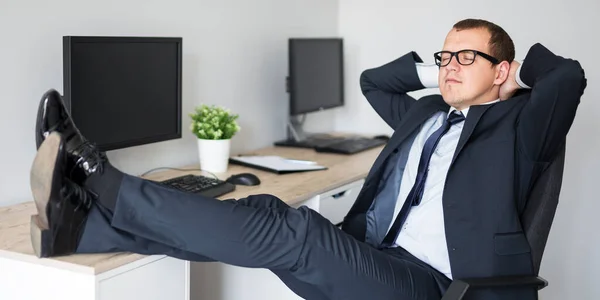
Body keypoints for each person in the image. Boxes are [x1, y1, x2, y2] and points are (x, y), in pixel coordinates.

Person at [29, 18, 586, 300]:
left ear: (503, 71)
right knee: (269, 212)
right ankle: (81, 230)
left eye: (468, 57)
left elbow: (568, 74)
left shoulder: (521, 126)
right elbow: (375, 83)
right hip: (374, 252)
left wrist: (511, 78)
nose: (451, 65)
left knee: (294, 234)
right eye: (447, 55)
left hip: (436, 284)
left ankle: (100, 179)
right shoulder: (424, 114)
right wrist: (439, 72)